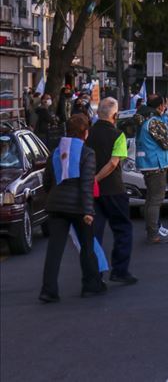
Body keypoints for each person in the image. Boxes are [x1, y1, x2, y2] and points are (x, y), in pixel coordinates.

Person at [39, 115, 107, 302]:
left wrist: (53, 197)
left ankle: (48, 290)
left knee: (55, 249)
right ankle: (91, 285)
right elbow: (86, 184)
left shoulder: (55, 152)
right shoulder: (87, 153)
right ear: (86, 133)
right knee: (87, 246)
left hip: (56, 205)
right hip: (78, 207)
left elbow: (47, 181)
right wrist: (88, 211)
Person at [89, 97, 138, 286]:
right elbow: (113, 163)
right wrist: (98, 178)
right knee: (123, 229)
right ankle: (120, 270)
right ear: (115, 115)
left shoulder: (89, 134)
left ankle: (96, 273)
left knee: (95, 234)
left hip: (93, 194)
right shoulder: (118, 135)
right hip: (113, 189)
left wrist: (91, 181)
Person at [136, 94, 168, 244]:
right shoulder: (153, 122)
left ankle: (152, 229)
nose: (165, 107)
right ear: (160, 106)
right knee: (155, 200)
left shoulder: (146, 120)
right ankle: (153, 234)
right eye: (164, 105)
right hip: (156, 166)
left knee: (151, 199)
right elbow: (166, 143)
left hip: (149, 164)